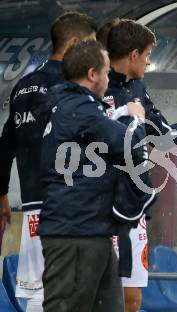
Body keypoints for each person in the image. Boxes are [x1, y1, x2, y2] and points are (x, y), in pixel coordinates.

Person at [99, 18, 177, 312]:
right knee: (99, 296)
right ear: (133, 55)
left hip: (133, 211)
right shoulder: (92, 86)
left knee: (132, 300)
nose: (149, 61)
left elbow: (166, 138)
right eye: (146, 55)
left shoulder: (138, 88)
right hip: (98, 210)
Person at [38, 39, 145, 312]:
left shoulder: (78, 106)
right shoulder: (78, 108)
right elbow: (130, 145)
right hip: (74, 234)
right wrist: (135, 118)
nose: (109, 79)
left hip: (93, 231)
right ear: (91, 74)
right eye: (107, 72)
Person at [0, 11, 97, 312]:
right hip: (66, 207)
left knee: (36, 292)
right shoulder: (72, 88)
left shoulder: (24, 86)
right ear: (73, 43)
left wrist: (2, 195)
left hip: (32, 209)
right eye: (91, 45)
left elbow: (6, 145)